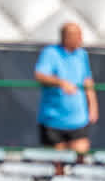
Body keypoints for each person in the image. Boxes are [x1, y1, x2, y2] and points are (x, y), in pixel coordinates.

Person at [34, 22, 98, 154]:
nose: (80, 39)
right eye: (76, 36)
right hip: (53, 120)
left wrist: (93, 106)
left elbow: (87, 80)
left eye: (80, 35)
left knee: (81, 156)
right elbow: (40, 75)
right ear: (65, 37)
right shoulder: (50, 53)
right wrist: (61, 83)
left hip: (78, 120)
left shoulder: (82, 55)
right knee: (57, 161)